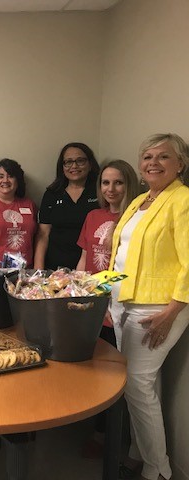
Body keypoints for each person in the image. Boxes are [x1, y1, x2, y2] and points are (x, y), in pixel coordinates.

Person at [108, 134, 189, 480]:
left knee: (136, 383)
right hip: (124, 300)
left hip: (158, 307)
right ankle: (137, 453)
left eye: (163, 157)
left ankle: (159, 470)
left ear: (180, 164)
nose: (153, 163)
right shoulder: (140, 200)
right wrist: (105, 295)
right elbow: (121, 254)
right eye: (147, 157)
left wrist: (172, 312)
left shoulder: (183, 200)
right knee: (144, 384)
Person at [75, 159, 139, 458]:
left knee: (113, 373)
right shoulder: (93, 215)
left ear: (129, 184)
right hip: (92, 301)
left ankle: (109, 437)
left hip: (117, 304)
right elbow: (85, 257)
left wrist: (109, 303)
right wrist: (75, 291)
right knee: (92, 367)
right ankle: (93, 428)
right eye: (105, 183)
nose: (111, 189)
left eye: (118, 182)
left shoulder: (135, 217)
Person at [34, 142, 100, 270]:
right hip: (54, 269)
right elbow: (43, 234)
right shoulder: (52, 194)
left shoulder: (100, 191)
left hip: (90, 268)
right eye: (68, 162)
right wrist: (38, 270)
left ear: (90, 164)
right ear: (62, 167)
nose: (74, 166)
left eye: (80, 161)